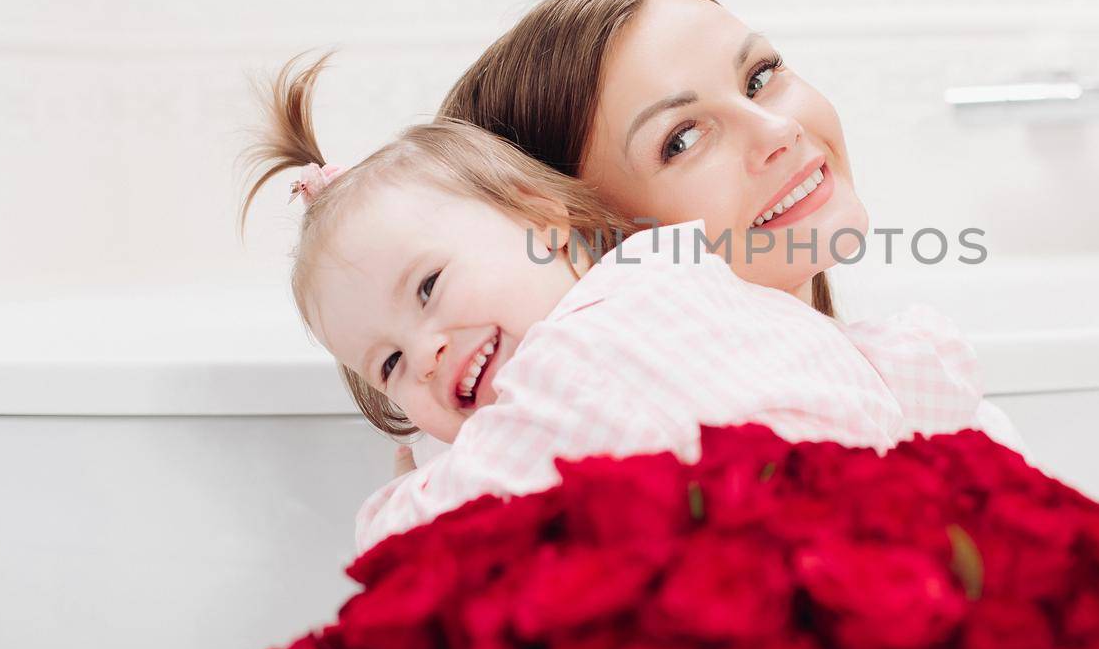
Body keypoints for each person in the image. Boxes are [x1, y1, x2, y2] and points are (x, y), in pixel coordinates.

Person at [242, 54, 1018, 554]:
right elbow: (889, 371)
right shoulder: (679, 266)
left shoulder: (577, 356)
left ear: (543, 221)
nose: (427, 353)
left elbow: (415, 548)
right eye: (389, 362)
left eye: (428, 288)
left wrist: (402, 503)